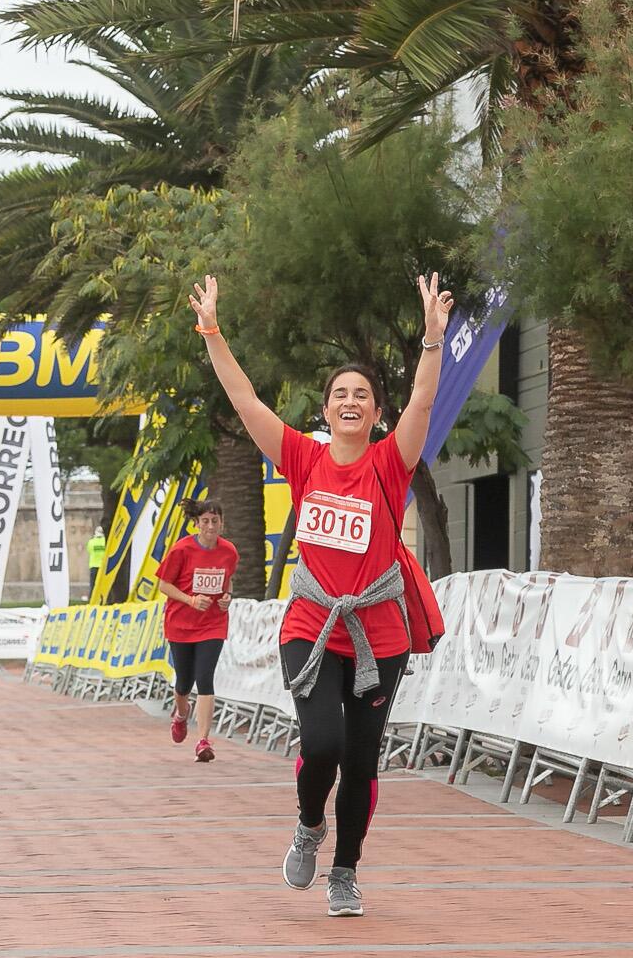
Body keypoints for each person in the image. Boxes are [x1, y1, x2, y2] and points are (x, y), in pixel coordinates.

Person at [190, 271, 450, 919]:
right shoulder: (303, 458)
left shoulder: (391, 463)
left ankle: (345, 871)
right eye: (341, 394)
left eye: (363, 394)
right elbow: (246, 400)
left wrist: (432, 342)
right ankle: (310, 825)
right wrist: (214, 333)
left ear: (375, 412)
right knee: (323, 744)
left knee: (362, 762)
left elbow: (423, 402)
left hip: (379, 634)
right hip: (310, 626)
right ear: (327, 410)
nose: (352, 401)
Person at [155, 500, 237, 762]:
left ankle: (203, 741)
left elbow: (228, 581)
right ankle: (180, 714)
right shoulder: (182, 550)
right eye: (205, 521)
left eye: (215, 521)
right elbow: (164, 585)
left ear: (222, 523)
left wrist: (227, 597)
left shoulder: (229, 551)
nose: (210, 526)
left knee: (205, 678)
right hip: (181, 625)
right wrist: (190, 599)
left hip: (212, 624)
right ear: (196, 524)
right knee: (183, 683)